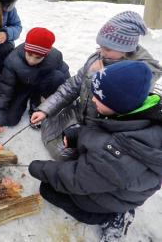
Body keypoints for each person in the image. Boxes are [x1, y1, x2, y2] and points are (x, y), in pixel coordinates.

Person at [29, 61, 162, 242]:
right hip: (113, 177)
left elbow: (78, 179)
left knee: (49, 190)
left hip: (115, 195)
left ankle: (114, 216)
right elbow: (102, 133)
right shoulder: (131, 114)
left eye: (99, 97)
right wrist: (77, 135)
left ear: (118, 103)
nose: (92, 99)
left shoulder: (119, 151)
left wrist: (38, 168)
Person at [30, 11, 162, 160]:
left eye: (107, 49)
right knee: (49, 127)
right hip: (81, 112)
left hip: (103, 128)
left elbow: (122, 117)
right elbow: (73, 85)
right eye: (100, 46)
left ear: (126, 48)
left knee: (63, 153)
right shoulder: (98, 57)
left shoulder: (139, 76)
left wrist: (98, 75)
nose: (101, 52)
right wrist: (46, 109)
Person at [0, 27, 70, 133]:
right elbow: (4, 90)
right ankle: (24, 99)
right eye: (29, 54)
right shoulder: (13, 60)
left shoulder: (55, 56)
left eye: (38, 58)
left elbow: (66, 80)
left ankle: (36, 105)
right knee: (10, 120)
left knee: (58, 76)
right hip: (22, 85)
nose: (32, 61)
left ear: (46, 55)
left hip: (41, 85)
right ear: (25, 49)